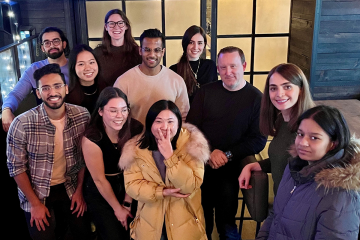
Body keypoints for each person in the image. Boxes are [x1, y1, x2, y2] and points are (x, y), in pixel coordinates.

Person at [186, 46, 267, 240]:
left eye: (233, 66)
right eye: (223, 67)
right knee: (200, 219)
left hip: (231, 168)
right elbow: (190, 128)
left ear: (244, 66)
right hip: (200, 164)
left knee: (226, 221)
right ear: (218, 69)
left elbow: (258, 140)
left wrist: (227, 155)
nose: (228, 72)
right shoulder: (205, 92)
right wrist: (210, 152)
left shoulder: (257, 98)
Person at [6, 63, 92, 240]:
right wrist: (35, 204)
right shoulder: (22, 124)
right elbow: (16, 168)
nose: (52, 92)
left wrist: (79, 190)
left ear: (66, 88)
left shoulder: (82, 116)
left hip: (70, 185)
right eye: (45, 88)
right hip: (36, 190)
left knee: (83, 233)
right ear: (38, 93)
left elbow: (85, 158)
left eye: (57, 86)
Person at [256, 105, 360, 240]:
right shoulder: (295, 167)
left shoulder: (340, 194)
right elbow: (276, 214)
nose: (302, 143)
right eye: (300, 134)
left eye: (314, 138)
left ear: (333, 143)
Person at [119, 100, 210, 240]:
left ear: (179, 123)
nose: (164, 127)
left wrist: (170, 156)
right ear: (150, 123)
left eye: (170, 121)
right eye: (158, 121)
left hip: (185, 223)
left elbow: (191, 185)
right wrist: (161, 192)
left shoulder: (193, 144)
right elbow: (131, 185)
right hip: (150, 223)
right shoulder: (136, 148)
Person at [238, 63, 315, 196]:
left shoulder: (310, 128)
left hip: (297, 209)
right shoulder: (281, 120)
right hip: (281, 203)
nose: (280, 94)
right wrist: (252, 166)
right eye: (273, 88)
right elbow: (283, 161)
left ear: (301, 89)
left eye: (287, 87)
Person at [82, 87, 143, 240]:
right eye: (113, 111)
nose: (119, 116)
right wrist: (118, 209)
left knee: (136, 231)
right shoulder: (92, 138)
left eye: (124, 110)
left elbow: (135, 168)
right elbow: (99, 180)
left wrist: (127, 203)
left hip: (129, 183)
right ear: (101, 111)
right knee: (113, 235)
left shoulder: (135, 129)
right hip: (101, 190)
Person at [114, 28, 189, 125]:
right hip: (133, 138)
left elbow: (182, 117)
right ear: (140, 50)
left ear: (163, 52)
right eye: (147, 50)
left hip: (167, 138)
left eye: (157, 50)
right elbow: (116, 117)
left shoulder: (177, 81)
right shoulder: (123, 82)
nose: (152, 55)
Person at [2, 26, 70, 132]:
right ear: (42, 48)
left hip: (75, 121)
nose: (52, 45)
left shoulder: (77, 66)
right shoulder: (34, 69)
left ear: (64, 44)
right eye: (47, 42)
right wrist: (6, 109)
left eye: (56, 41)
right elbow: (16, 94)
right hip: (46, 126)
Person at [94, 9, 142, 91]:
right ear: (106, 27)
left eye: (120, 23)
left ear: (126, 26)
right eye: (112, 23)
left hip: (132, 99)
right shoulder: (97, 53)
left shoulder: (137, 52)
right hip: (106, 100)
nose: (116, 27)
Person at [169, 25, 218, 103]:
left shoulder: (210, 66)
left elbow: (215, 95)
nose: (195, 47)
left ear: (204, 45)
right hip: (184, 114)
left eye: (200, 43)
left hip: (207, 114)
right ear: (185, 44)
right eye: (191, 42)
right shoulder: (174, 70)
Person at [66, 44, 100, 113]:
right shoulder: (68, 99)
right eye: (81, 64)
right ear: (73, 67)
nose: (88, 68)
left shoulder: (107, 90)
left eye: (91, 62)